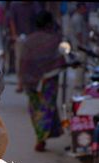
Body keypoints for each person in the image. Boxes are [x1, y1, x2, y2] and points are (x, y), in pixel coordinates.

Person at [20, 10, 65, 152]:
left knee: (35, 109)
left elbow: (23, 63)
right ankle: (41, 137)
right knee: (47, 108)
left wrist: (22, 80)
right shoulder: (55, 39)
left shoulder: (28, 40)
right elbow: (61, 60)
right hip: (49, 80)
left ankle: (40, 137)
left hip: (31, 81)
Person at [9, 1, 40, 92]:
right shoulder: (14, 5)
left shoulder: (34, 5)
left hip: (32, 38)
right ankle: (20, 83)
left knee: (33, 61)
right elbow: (12, 21)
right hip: (19, 38)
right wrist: (14, 35)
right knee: (19, 61)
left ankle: (32, 82)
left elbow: (38, 18)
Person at [68, 2, 89, 90]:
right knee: (81, 65)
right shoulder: (77, 18)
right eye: (84, 8)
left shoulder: (80, 17)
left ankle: (81, 83)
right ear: (80, 8)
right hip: (80, 46)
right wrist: (82, 44)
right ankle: (79, 84)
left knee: (83, 65)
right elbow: (78, 33)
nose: (85, 10)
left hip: (81, 45)